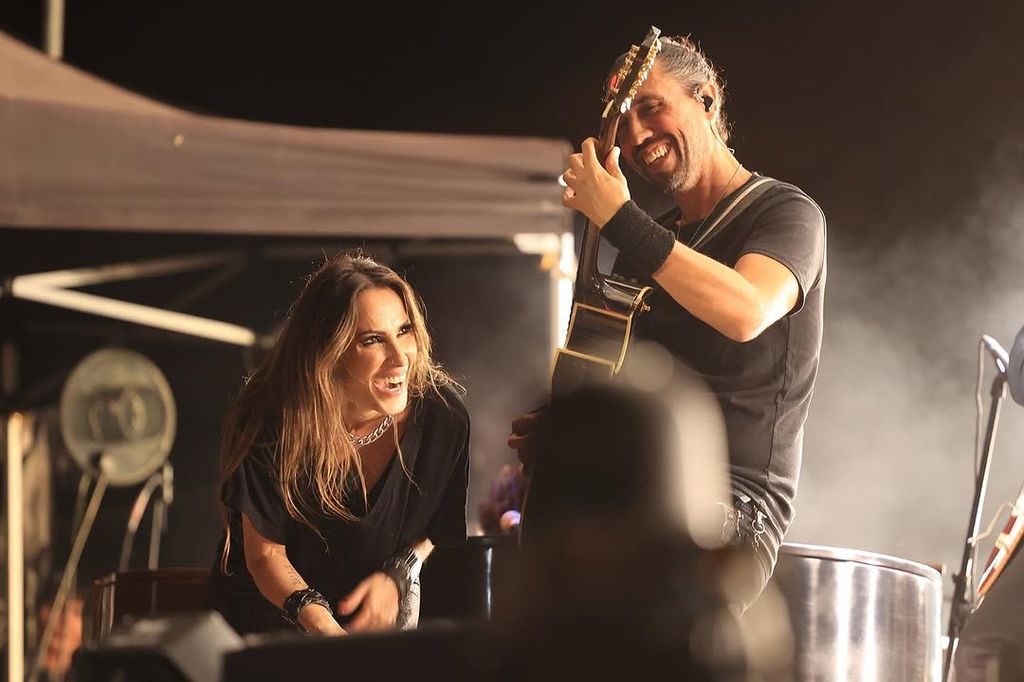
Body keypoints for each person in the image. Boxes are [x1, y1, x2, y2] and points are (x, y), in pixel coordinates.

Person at [511, 33, 826, 609]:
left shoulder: (786, 213)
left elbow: (746, 310)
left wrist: (619, 216)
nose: (636, 137)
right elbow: (621, 383)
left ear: (706, 99)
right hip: (632, 494)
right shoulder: (644, 248)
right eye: (623, 124)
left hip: (730, 506)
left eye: (652, 108)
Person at [208, 253, 470, 636]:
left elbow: (435, 526)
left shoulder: (442, 417)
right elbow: (265, 556)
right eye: (372, 341)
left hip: (365, 627)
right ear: (329, 352)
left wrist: (399, 572)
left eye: (404, 331)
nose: (399, 358)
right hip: (268, 619)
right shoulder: (271, 418)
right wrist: (326, 634)